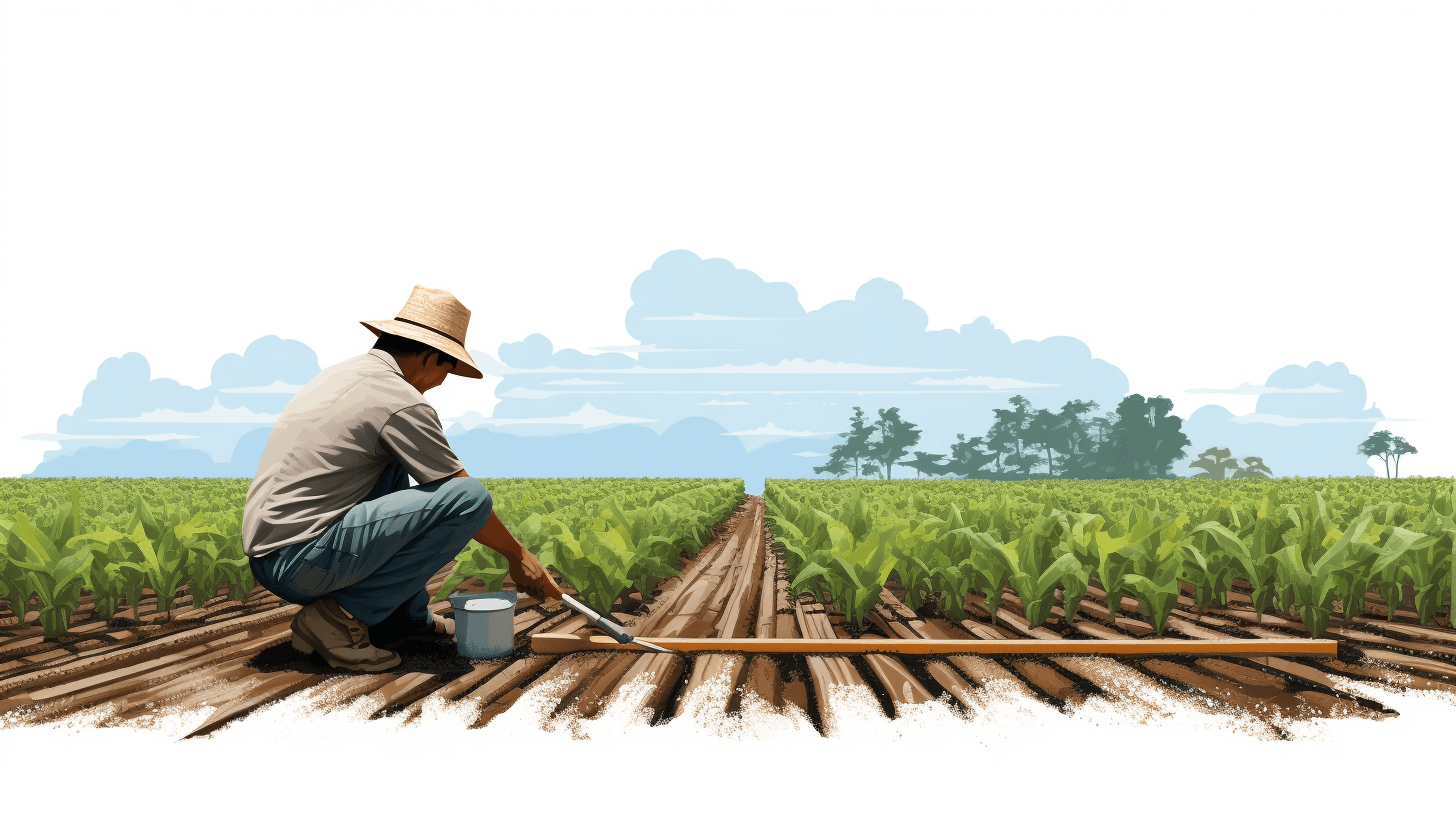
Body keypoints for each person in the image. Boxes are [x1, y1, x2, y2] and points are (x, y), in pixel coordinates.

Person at [242, 286, 562, 672]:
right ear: (429, 357)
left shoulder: (346, 375)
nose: (440, 383)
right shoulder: (399, 398)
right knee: (468, 498)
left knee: (396, 464)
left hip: (274, 554)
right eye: (447, 369)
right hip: (301, 561)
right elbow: (460, 491)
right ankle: (336, 619)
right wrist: (518, 555)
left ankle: (400, 618)